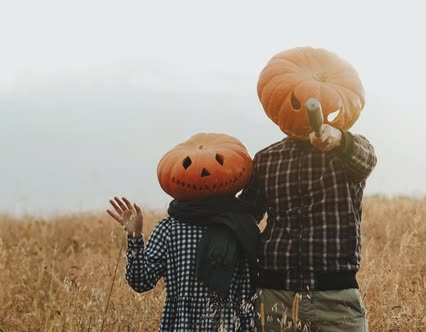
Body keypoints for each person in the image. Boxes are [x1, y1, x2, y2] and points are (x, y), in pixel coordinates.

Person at [106, 134, 260, 332]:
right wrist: (135, 237)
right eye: (188, 164)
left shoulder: (242, 226)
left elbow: (256, 284)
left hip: (232, 325)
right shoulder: (169, 229)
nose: (204, 171)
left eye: (218, 161)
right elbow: (141, 281)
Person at [241, 124, 377, 331]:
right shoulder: (267, 158)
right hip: (275, 295)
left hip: (335, 297)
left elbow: (367, 159)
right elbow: (246, 215)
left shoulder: (348, 155)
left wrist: (340, 139)